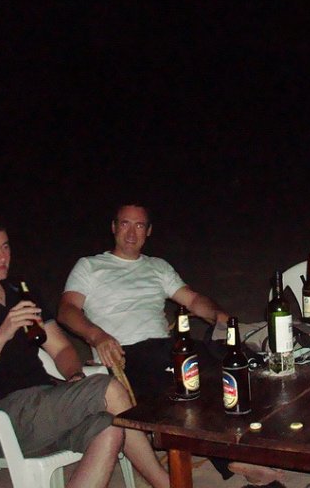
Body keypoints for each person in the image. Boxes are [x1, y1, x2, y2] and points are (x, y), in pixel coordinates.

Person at [0, 222, 169, 488]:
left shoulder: (20, 293)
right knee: (109, 388)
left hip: (44, 404)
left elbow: (61, 348)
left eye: (5, 247)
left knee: (110, 428)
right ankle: (167, 485)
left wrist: (74, 374)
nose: (1, 257)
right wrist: (1, 335)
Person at [58, 204, 284, 486]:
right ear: (113, 227)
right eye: (125, 224)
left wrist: (220, 317)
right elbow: (67, 310)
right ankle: (235, 459)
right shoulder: (90, 266)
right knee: (192, 382)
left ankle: (257, 443)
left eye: (139, 225)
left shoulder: (157, 267)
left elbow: (193, 300)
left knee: (241, 362)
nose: (132, 233)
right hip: (125, 353)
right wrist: (97, 336)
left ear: (149, 231)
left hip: (167, 347)